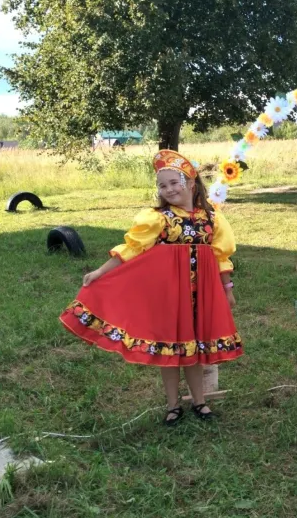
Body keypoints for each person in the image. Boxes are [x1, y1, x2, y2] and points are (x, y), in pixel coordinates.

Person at [60, 149, 242, 426]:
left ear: (191, 184)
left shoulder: (212, 219)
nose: (168, 189)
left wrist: (227, 289)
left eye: (174, 183)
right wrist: (99, 271)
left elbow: (221, 256)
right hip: (169, 295)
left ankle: (200, 401)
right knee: (169, 351)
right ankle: (172, 406)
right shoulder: (159, 218)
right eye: (162, 185)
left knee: (193, 350)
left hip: (201, 295)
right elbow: (131, 249)